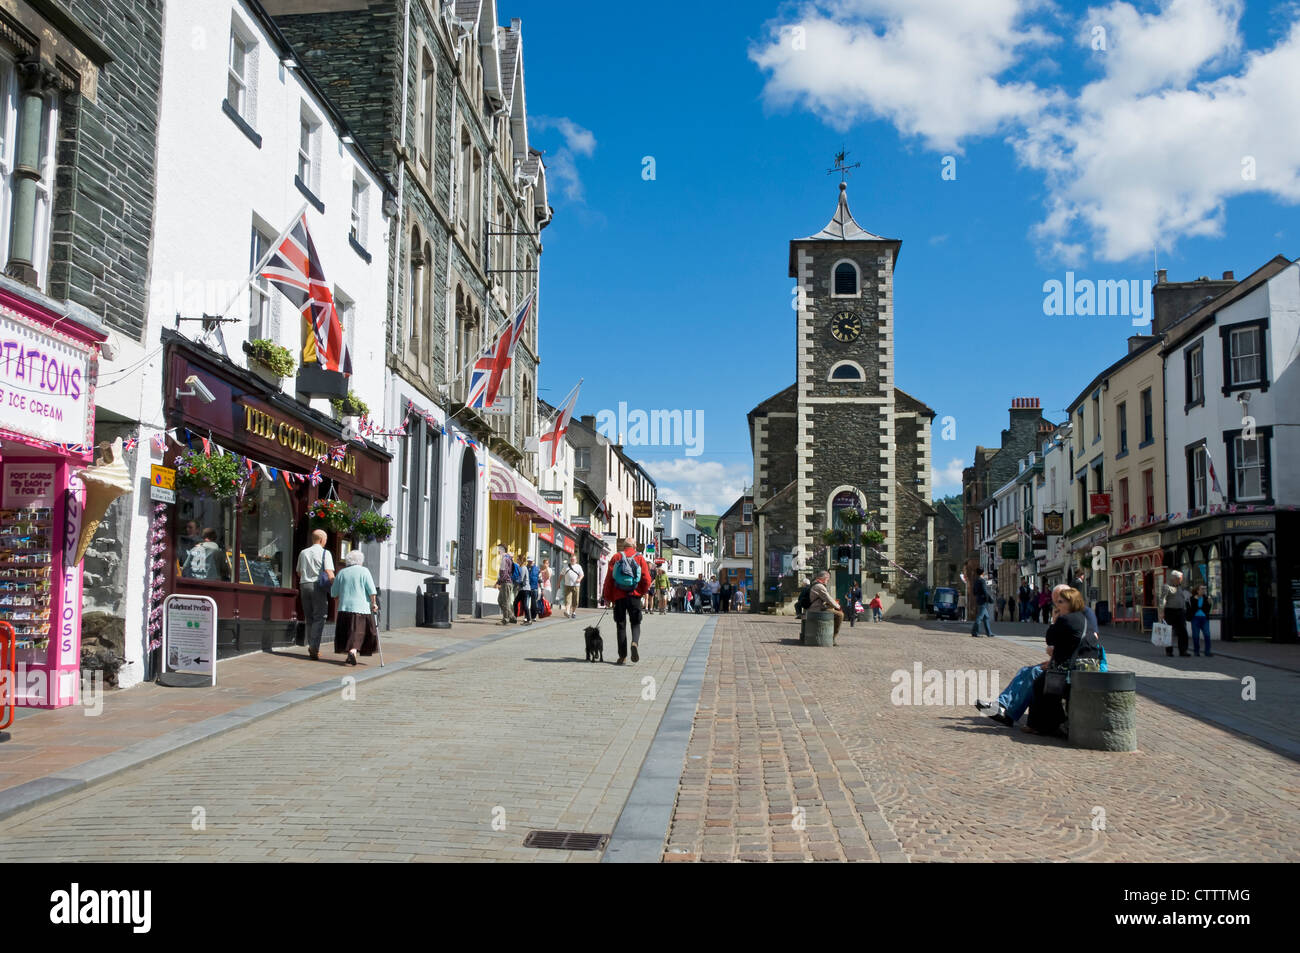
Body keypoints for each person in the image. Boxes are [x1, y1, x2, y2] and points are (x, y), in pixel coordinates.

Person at [976, 584, 1104, 727]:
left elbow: (1083, 642)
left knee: (1035, 673)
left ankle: (1010, 714)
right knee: (1025, 670)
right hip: (1070, 661)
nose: (1056, 605)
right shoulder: (1073, 615)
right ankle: (1002, 705)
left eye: (1059, 601)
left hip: (1075, 666)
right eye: (1055, 601)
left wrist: (1055, 624)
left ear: (1069, 598)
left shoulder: (1079, 615)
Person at [602, 538, 652, 664]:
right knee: (635, 623)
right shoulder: (639, 558)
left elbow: (609, 579)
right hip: (634, 595)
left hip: (619, 596)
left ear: (623, 546)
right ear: (634, 546)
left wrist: (607, 597)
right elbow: (646, 578)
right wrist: (643, 591)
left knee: (620, 625)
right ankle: (634, 643)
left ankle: (622, 656)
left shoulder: (616, 557)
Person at [331, 550, 378, 665]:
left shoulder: (341, 572)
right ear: (360, 560)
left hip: (344, 609)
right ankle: (352, 652)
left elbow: (334, 593)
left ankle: (350, 654)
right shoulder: (364, 571)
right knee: (358, 632)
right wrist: (374, 603)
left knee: (348, 632)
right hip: (361, 609)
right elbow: (372, 590)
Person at [295, 529, 335, 660]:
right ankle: (314, 647)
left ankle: (312, 645)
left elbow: (299, 572)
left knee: (309, 617)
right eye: (326, 540)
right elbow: (329, 573)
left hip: (304, 585)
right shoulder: (325, 553)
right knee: (320, 616)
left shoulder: (303, 552)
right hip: (317, 586)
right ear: (322, 540)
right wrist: (335, 588)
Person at [808, 570, 844, 645]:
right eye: (828, 579)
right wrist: (838, 607)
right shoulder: (819, 586)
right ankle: (832, 638)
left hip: (815, 608)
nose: (828, 581)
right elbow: (828, 598)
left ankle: (830, 635)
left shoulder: (815, 584)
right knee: (840, 615)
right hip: (817, 609)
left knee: (832, 610)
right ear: (824, 578)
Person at [1160, 570, 1190, 657]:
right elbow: (1163, 599)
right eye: (1180, 578)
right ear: (1174, 578)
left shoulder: (1181, 587)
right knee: (1168, 632)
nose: (1181, 580)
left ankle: (1183, 651)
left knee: (1183, 631)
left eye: (1181, 578)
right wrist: (1161, 611)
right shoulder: (1167, 587)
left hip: (1180, 611)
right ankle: (1169, 651)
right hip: (1170, 611)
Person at [1188, 584, 1212, 656]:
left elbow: (1208, 609)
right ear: (1197, 591)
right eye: (1202, 589)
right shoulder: (1192, 599)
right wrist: (1195, 600)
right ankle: (1196, 651)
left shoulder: (1206, 598)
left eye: (1204, 589)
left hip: (1204, 618)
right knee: (1196, 635)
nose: (1203, 590)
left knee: (1207, 635)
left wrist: (1209, 603)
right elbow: (1191, 609)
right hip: (1195, 618)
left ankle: (1207, 652)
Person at [970, 567, 995, 637]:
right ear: (983, 573)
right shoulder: (982, 581)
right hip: (983, 601)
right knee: (979, 617)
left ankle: (989, 633)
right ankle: (974, 632)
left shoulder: (976, 581)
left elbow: (974, 592)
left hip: (978, 599)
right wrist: (990, 598)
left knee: (986, 617)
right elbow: (985, 591)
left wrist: (978, 594)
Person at [497, 546, 517, 625]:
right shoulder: (508, 558)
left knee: (504, 601)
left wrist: (500, 582)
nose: (498, 551)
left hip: (505, 582)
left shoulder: (504, 559)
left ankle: (505, 619)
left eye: (498, 549)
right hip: (508, 582)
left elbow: (504, 572)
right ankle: (511, 617)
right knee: (502, 600)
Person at [559, 554, 584, 619]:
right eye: (571, 559)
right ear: (570, 560)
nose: (572, 560)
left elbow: (582, 575)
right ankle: (567, 612)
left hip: (576, 585)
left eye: (573, 559)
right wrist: (558, 583)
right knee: (567, 599)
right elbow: (561, 575)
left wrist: (579, 579)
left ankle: (573, 612)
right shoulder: (566, 566)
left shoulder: (578, 566)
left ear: (576, 560)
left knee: (575, 600)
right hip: (567, 585)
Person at [520, 556, 540, 624]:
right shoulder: (525, 568)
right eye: (528, 561)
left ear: (533, 561)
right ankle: (526, 617)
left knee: (534, 604)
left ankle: (533, 616)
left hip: (534, 588)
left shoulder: (537, 569)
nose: (529, 562)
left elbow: (539, 579)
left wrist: (542, 588)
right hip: (527, 588)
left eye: (531, 561)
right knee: (526, 603)